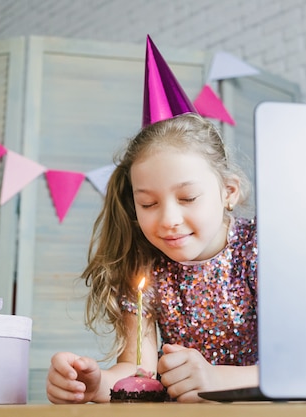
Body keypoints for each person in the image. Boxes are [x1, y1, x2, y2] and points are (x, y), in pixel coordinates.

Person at [46, 112, 258, 403]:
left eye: (188, 198)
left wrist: (217, 379)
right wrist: (96, 386)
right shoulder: (145, 264)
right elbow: (138, 370)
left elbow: (303, 366)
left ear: (228, 192)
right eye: (148, 203)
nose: (169, 219)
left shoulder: (261, 249)